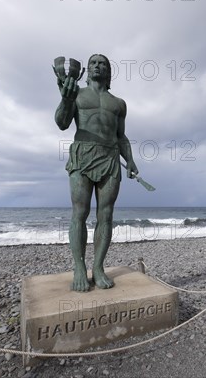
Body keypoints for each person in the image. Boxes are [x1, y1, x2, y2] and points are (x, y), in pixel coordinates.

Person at [55, 54, 138, 292]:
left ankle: (98, 267)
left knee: (106, 215)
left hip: (110, 158)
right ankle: (79, 267)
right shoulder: (77, 94)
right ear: (88, 70)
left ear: (109, 71)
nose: (97, 66)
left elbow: (120, 136)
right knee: (79, 212)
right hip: (82, 155)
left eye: (102, 63)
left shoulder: (119, 103)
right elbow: (61, 123)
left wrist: (130, 159)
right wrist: (65, 99)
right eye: (93, 63)